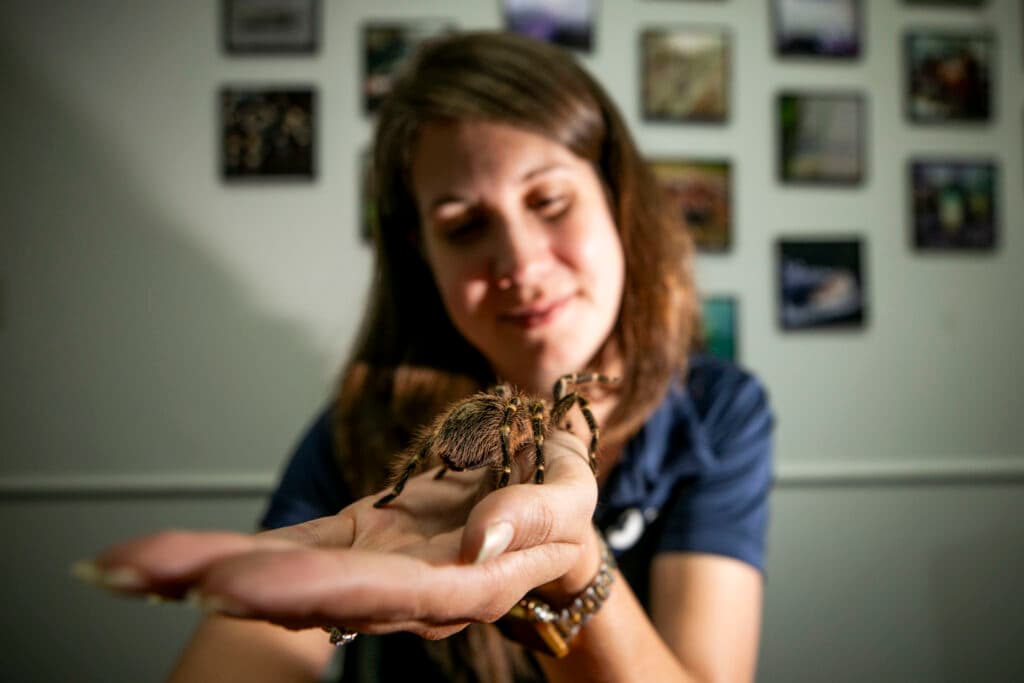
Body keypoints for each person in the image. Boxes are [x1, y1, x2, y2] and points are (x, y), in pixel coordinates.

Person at [80, 30, 774, 682]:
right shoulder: (362, 422)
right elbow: (253, 642)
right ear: (422, 253)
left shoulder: (717, 411)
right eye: (466, 225)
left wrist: (575, 559)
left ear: (618, 200)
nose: (522, 265)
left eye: (550, 200)